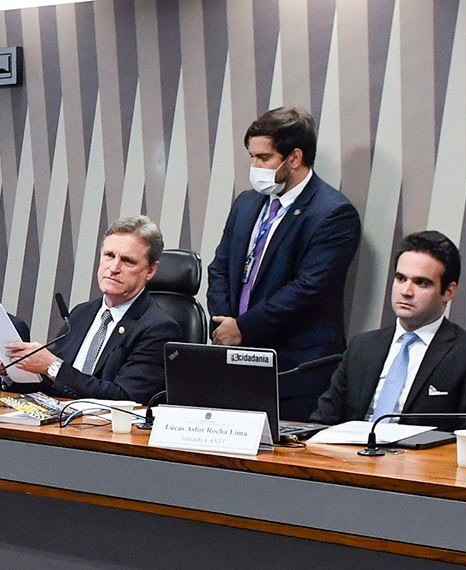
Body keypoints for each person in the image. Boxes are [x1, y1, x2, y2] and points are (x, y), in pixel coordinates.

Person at [207, 107, 361, 421]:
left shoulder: (333, 213)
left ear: (294, 158)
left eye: (264, 158)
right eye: (252, 156)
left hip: (295, 370)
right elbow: (220, 267)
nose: (255, 167)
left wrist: (243, 328)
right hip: (237, 359)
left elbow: (307, 290)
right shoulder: (247, 203)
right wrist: (224, 322)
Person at [311, 231, 466, 435]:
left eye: (421, 283)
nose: (406, 291)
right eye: (400, 278)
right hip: (352, 452)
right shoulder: (363, 345)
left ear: (448, 292)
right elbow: (323, 422)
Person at [5, 216, 182, 403]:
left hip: (102, 422)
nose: (114, 268)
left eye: (127, 261)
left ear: (150, 271)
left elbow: (125, 397)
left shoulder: (159, 328)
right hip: (60, 417)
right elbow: (57, 384)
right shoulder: (81, 313)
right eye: (109, 255)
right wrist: (14, 370)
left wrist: (52, 366)